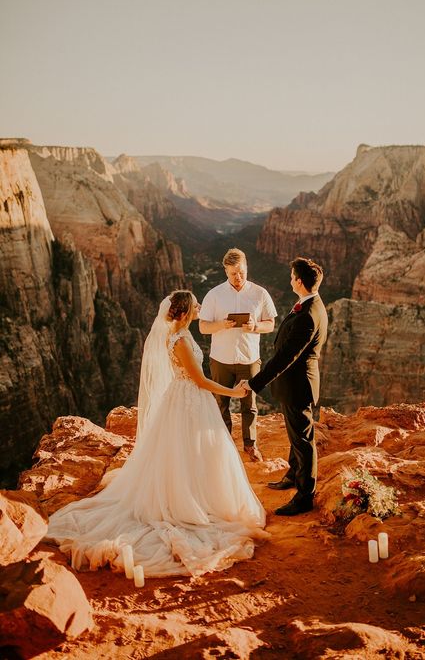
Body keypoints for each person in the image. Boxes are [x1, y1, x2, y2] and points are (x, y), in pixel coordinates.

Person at [45, 291, 267, 578]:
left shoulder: (177, 334)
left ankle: (198, 495)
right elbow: (199, 380)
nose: (201, 307)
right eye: (196, 304)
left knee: (190, 451)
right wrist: (234, 392)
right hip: (190, 400)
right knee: (195, 450)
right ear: (185, 312)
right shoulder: (182, 340)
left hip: (184, 399)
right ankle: (190, 502)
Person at [242, 257, 328, 516]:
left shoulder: (308, 315)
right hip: (297, 383)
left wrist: (255, 383)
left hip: (298, 385)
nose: (290, 280)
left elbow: (286, 356)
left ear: (299, 282)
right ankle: (293, 474)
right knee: (295, 435)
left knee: (303, 440)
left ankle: (304, 497)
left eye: (292, 277)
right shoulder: (312, 304)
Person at [199, 248, 277, 462]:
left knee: (249, 404)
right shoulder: (214, 295)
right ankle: (222, 446)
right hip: (220, 360)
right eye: (233, 273)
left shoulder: (260, 294)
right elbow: (203, 327)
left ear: (246, 267)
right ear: (225, 271)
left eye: (241, 271)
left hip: (249, 358)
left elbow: (270, 324)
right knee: (220, 403)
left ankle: (250, 445)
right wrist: (221, 325)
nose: (238, 277)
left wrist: (255, 326)